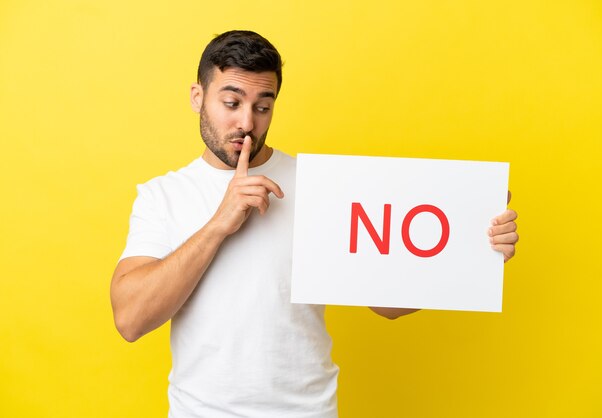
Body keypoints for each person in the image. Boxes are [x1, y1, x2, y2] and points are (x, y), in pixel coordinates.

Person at [110, 30, 519, 418]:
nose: (247, 123)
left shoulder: (320, 186)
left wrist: (473, 255)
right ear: (198, 97)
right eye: (231, 103)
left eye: (263, 106)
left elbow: (386, 304)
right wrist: (218, 224)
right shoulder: (161, 196)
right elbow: (130, 320)